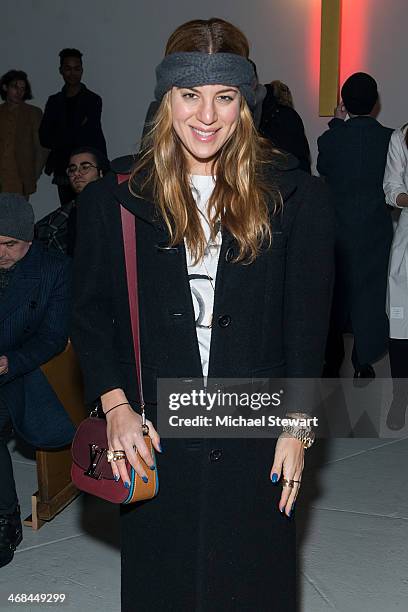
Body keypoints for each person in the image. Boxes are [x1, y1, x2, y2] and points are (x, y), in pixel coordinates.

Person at [71, 18, 333, 611]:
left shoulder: (296, 198)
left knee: (252, 587)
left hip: (254, 433)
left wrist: (297, 427)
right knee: (162, 585)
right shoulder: (113, 199)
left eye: (225, 96)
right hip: (154, 434)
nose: (206, 116)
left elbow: (306, 328)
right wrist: (115, 406)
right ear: (167, 98)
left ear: (245, 102)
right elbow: (90, 314)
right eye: (190, 94)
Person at [0, 194, 74, 568]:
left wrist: (7, 363)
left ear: (29, 239)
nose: (1, 253)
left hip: (22, 370)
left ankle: (6, 521)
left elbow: (53, 338)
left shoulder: (55, 268)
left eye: (10, 244)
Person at [317, 72, 393, 381]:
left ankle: (331, 362)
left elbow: (323, 168)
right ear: (375, 103)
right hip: (375, 227)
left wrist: (337, 123)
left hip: (338, 227)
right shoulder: (390, 139)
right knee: (371, 293)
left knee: (336, 294)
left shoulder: (330, 138)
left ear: (344, 103)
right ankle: (364, 359)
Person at [39, 48, 107, 205]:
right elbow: (44, 137)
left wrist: (62, 132)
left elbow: (90, 135)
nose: (72, 73)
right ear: (61, 70)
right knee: (67, 217)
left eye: (76, 69)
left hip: (88, 170)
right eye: (68, 68)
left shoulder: (93, 100)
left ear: (82, 70)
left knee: (91, 211)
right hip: (63, 169)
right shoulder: (54, 101)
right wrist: (74, 129)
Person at [35, 147, 110, 256]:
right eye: (72, 169)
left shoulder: (116, 210)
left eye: (85, 167)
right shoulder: (59, 219)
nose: (77, 173)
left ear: (101, 172)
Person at [383, 123, 408, 429]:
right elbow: (392, 188)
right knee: (401, 327)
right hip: (407, 246)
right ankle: (399, 396)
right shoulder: (400, 138)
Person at [0, 70, 47, 197]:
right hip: (2, 177)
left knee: (18, 215)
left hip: (20, 179)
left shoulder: (33, 113)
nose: (19, 92)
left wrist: (32, 175)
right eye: (15, 87)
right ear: (5, 87)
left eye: (22, 88)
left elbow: (41, 148)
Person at [259, 80, 311, 173]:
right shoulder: (291, 115)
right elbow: (301, 149)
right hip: (294, 170)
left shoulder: (263, 117)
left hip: (271, 171)